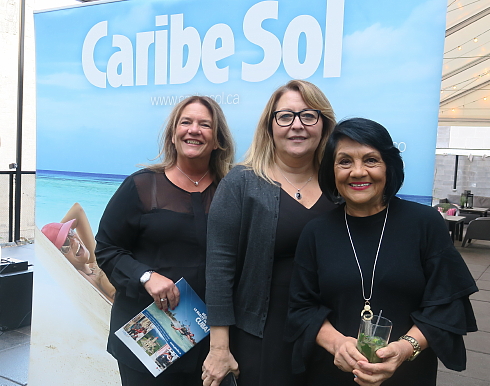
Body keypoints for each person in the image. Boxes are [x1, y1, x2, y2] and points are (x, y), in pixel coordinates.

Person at [286, 117, 478, 386]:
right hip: (332, 374)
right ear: (331, 171)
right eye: (344, 161)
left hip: (408, 374)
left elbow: (447, 304)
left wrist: (404, 349)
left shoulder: (424, 224)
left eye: (371, 160)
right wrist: (338, 344)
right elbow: (301, 308)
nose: (357, 172)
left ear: (389, 166)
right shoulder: (316, 232)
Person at [202, 80, 337, 386]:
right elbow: (219, 268)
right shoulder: (241, 182)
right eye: (286, 116)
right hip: (262, 336)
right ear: (270, 125)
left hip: (329, 336)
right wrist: (219, 348)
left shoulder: (338, 185)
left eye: (308, 116)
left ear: (324, 124)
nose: (297, 126)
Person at [95, 96, 235, 386]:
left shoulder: (231, 190)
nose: (194, 130)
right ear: (173, 135)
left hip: (214, 344)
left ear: (218, 140)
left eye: (204, 124)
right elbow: (107, 249)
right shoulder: (142, 186)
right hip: (150, 340)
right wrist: (145, 276)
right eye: (186, 122)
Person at [41, 202, 116, 302]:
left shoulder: (92, 261)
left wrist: (57, 238)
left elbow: (77, 210)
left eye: (70, 233)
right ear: (59, 258)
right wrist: (52, 255)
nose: (74, 241)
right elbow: (114, 306)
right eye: (66, 243)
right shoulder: (82, 278)